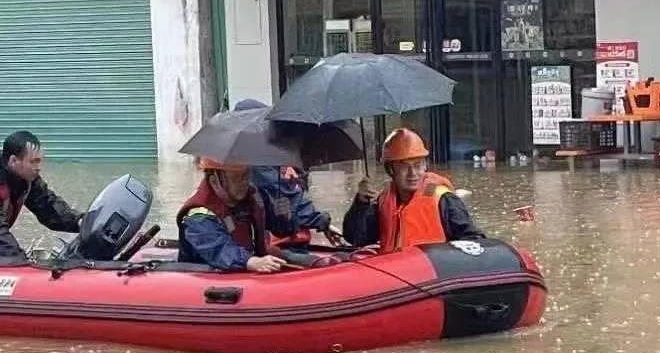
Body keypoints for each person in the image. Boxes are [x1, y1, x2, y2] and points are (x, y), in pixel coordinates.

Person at [343, 128, 483, 253]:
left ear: (424, 166)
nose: (413, 174)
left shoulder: (443, 199)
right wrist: (360, 203)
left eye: (417, 165)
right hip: (397, 276)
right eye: (404, 167)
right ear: (391, 170)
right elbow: (356, 238)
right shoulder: (383, 201)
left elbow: (474, 242)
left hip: (432, 277)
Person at [233, 99, 344, 248]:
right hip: (279, 243)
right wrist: (320, 220)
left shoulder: (276, 156)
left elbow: (294, 195)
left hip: (292, 234)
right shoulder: (254, 162)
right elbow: (285, 194)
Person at [177, 158, 286, 273]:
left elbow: (280, 230)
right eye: (237, 178)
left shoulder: (252, 196)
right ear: (215, 181)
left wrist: (284, 215)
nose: (244, 182)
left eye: (246, 175)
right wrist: (249, 261)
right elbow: (219, 250)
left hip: (249, 265)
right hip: (210, 277)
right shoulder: (199, 215)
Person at [0, 130, 83, 259]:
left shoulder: (27, 180)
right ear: (14, 161)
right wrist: (20, 261)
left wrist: (81, 222)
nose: (38, 167)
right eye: (33, 162)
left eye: (39, 161)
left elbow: (49, 207)